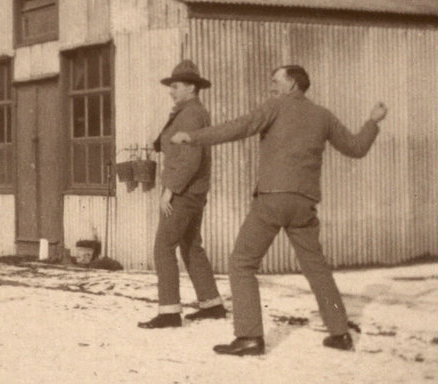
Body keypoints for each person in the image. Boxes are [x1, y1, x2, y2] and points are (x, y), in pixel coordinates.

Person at [171, 65, 387, 356]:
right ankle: (340, 332)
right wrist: (372, 121)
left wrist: (193, 137)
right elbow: (356, 147)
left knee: (242, 263)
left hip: (272, 200)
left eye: (276, 81)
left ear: (293, 85)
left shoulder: (275, 107)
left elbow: (237, 127)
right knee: (318, 269)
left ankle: (249, 337)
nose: (271, 86)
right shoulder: (323, 116)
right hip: (304, 204)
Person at [138, 60, 225, 329]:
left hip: (184, 191)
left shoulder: (189, 114)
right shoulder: (192, 111)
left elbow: (190, 159)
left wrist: (170, 191)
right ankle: (212, 304)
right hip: (195, 190)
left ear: (190, 87)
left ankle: (169, 312)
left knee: (163, 247)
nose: (171, 91)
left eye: (175, 86)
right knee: (191, 246)